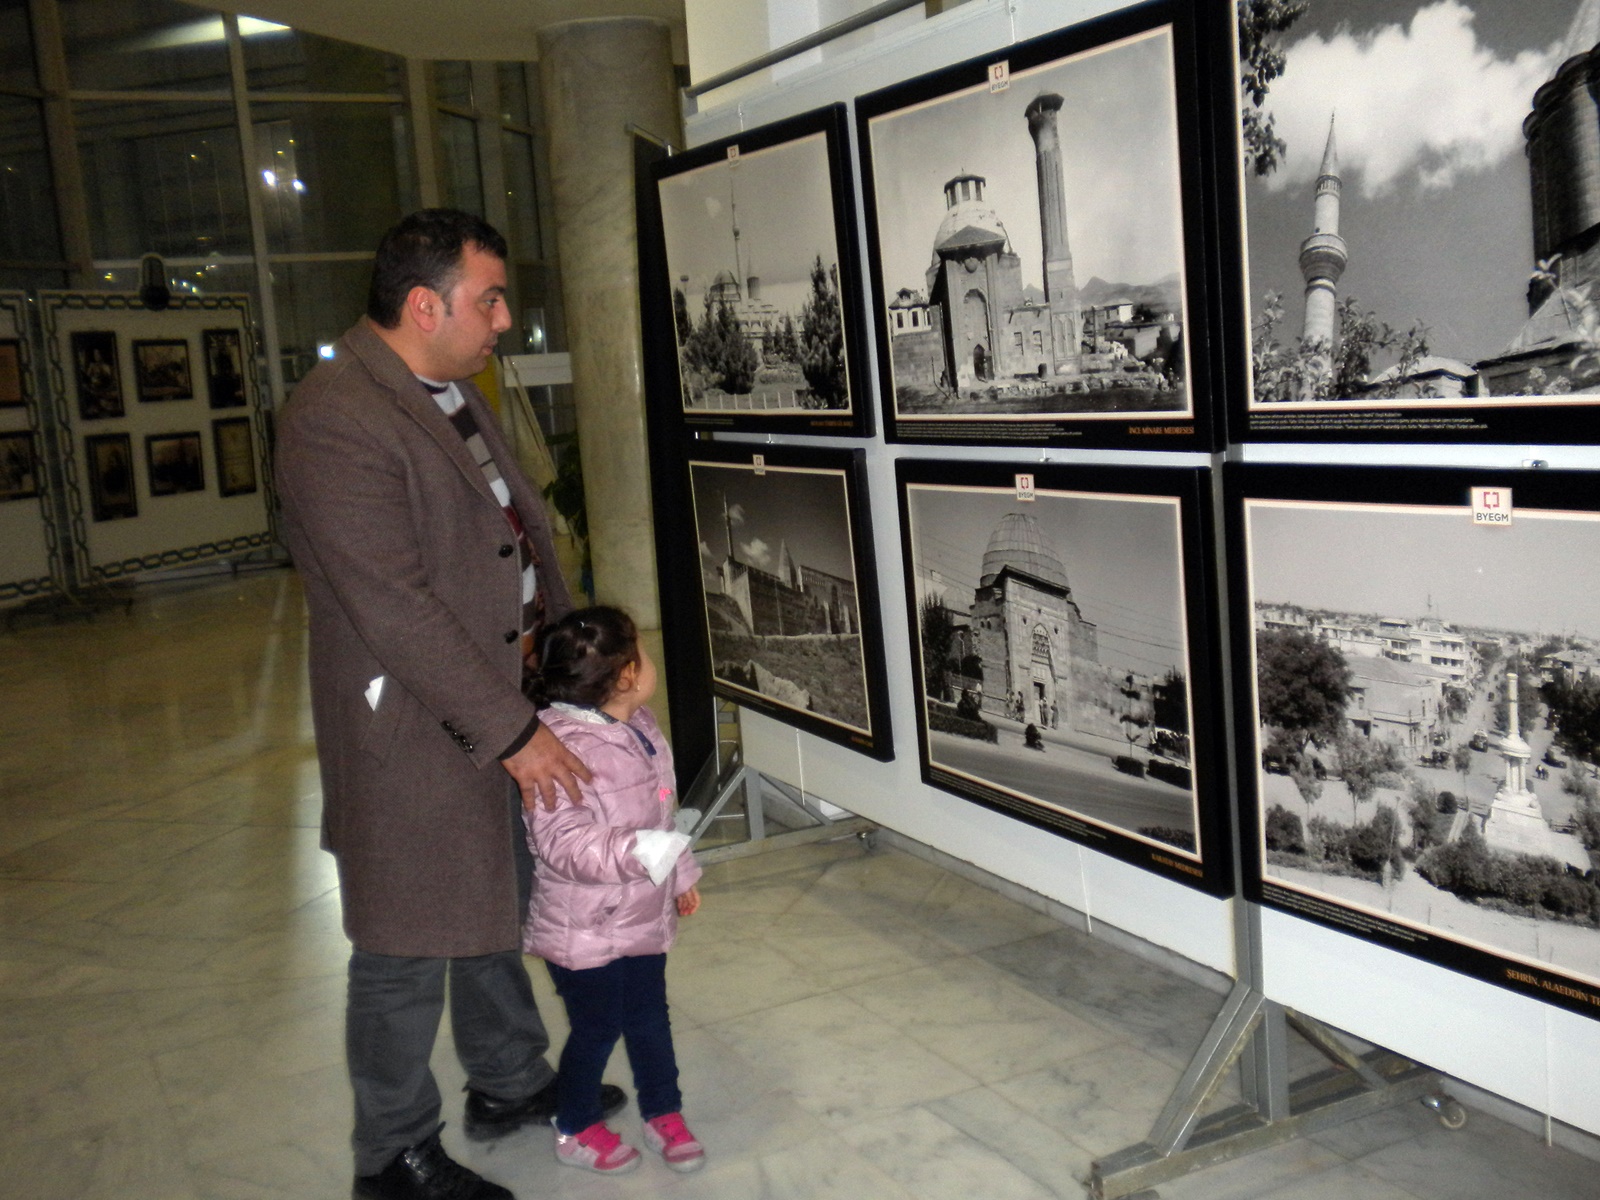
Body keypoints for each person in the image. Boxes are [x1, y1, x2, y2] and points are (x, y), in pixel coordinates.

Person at [275, 209, 622, 1200]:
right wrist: (514, 732)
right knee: (401, 943)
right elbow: (392, 603)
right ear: (424, 304)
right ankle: (389, 1156)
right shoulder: (336, 414)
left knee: (492, 900)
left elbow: (513, 537)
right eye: (489, 298)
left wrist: (562, 680)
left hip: (494, 699)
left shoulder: (444, 391)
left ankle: (509, 1082)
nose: (505, 318)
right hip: (411, 730)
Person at [522, 606, 705, 1176]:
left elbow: (663, 812)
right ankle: (574, 1125)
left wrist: (680, 872)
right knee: (598, 1026)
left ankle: (663, 1111)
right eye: (642, 653)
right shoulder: (556, 749)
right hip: (583, 928)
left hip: (641, 915)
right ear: (626, 674)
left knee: (651, 1016)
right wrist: (642, 853)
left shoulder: (641, 726)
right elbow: (564, 844)